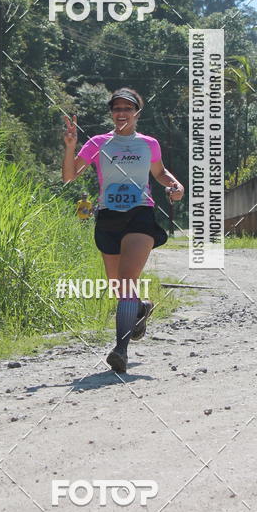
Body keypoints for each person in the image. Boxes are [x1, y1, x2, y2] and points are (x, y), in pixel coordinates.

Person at [62, 88, 184, 374]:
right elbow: (69, 176)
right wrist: (70, 147)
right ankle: (139, 308)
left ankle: (121, 349)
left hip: (140, 215)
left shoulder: (149, 144)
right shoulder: (97, 142)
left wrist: (175, 185)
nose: (121, 113)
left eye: (127, 108)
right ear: (111, 112)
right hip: (107, 218)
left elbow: (160, 172)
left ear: (137, 113)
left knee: (127, 281)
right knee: (119, 287)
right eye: (116, 108)